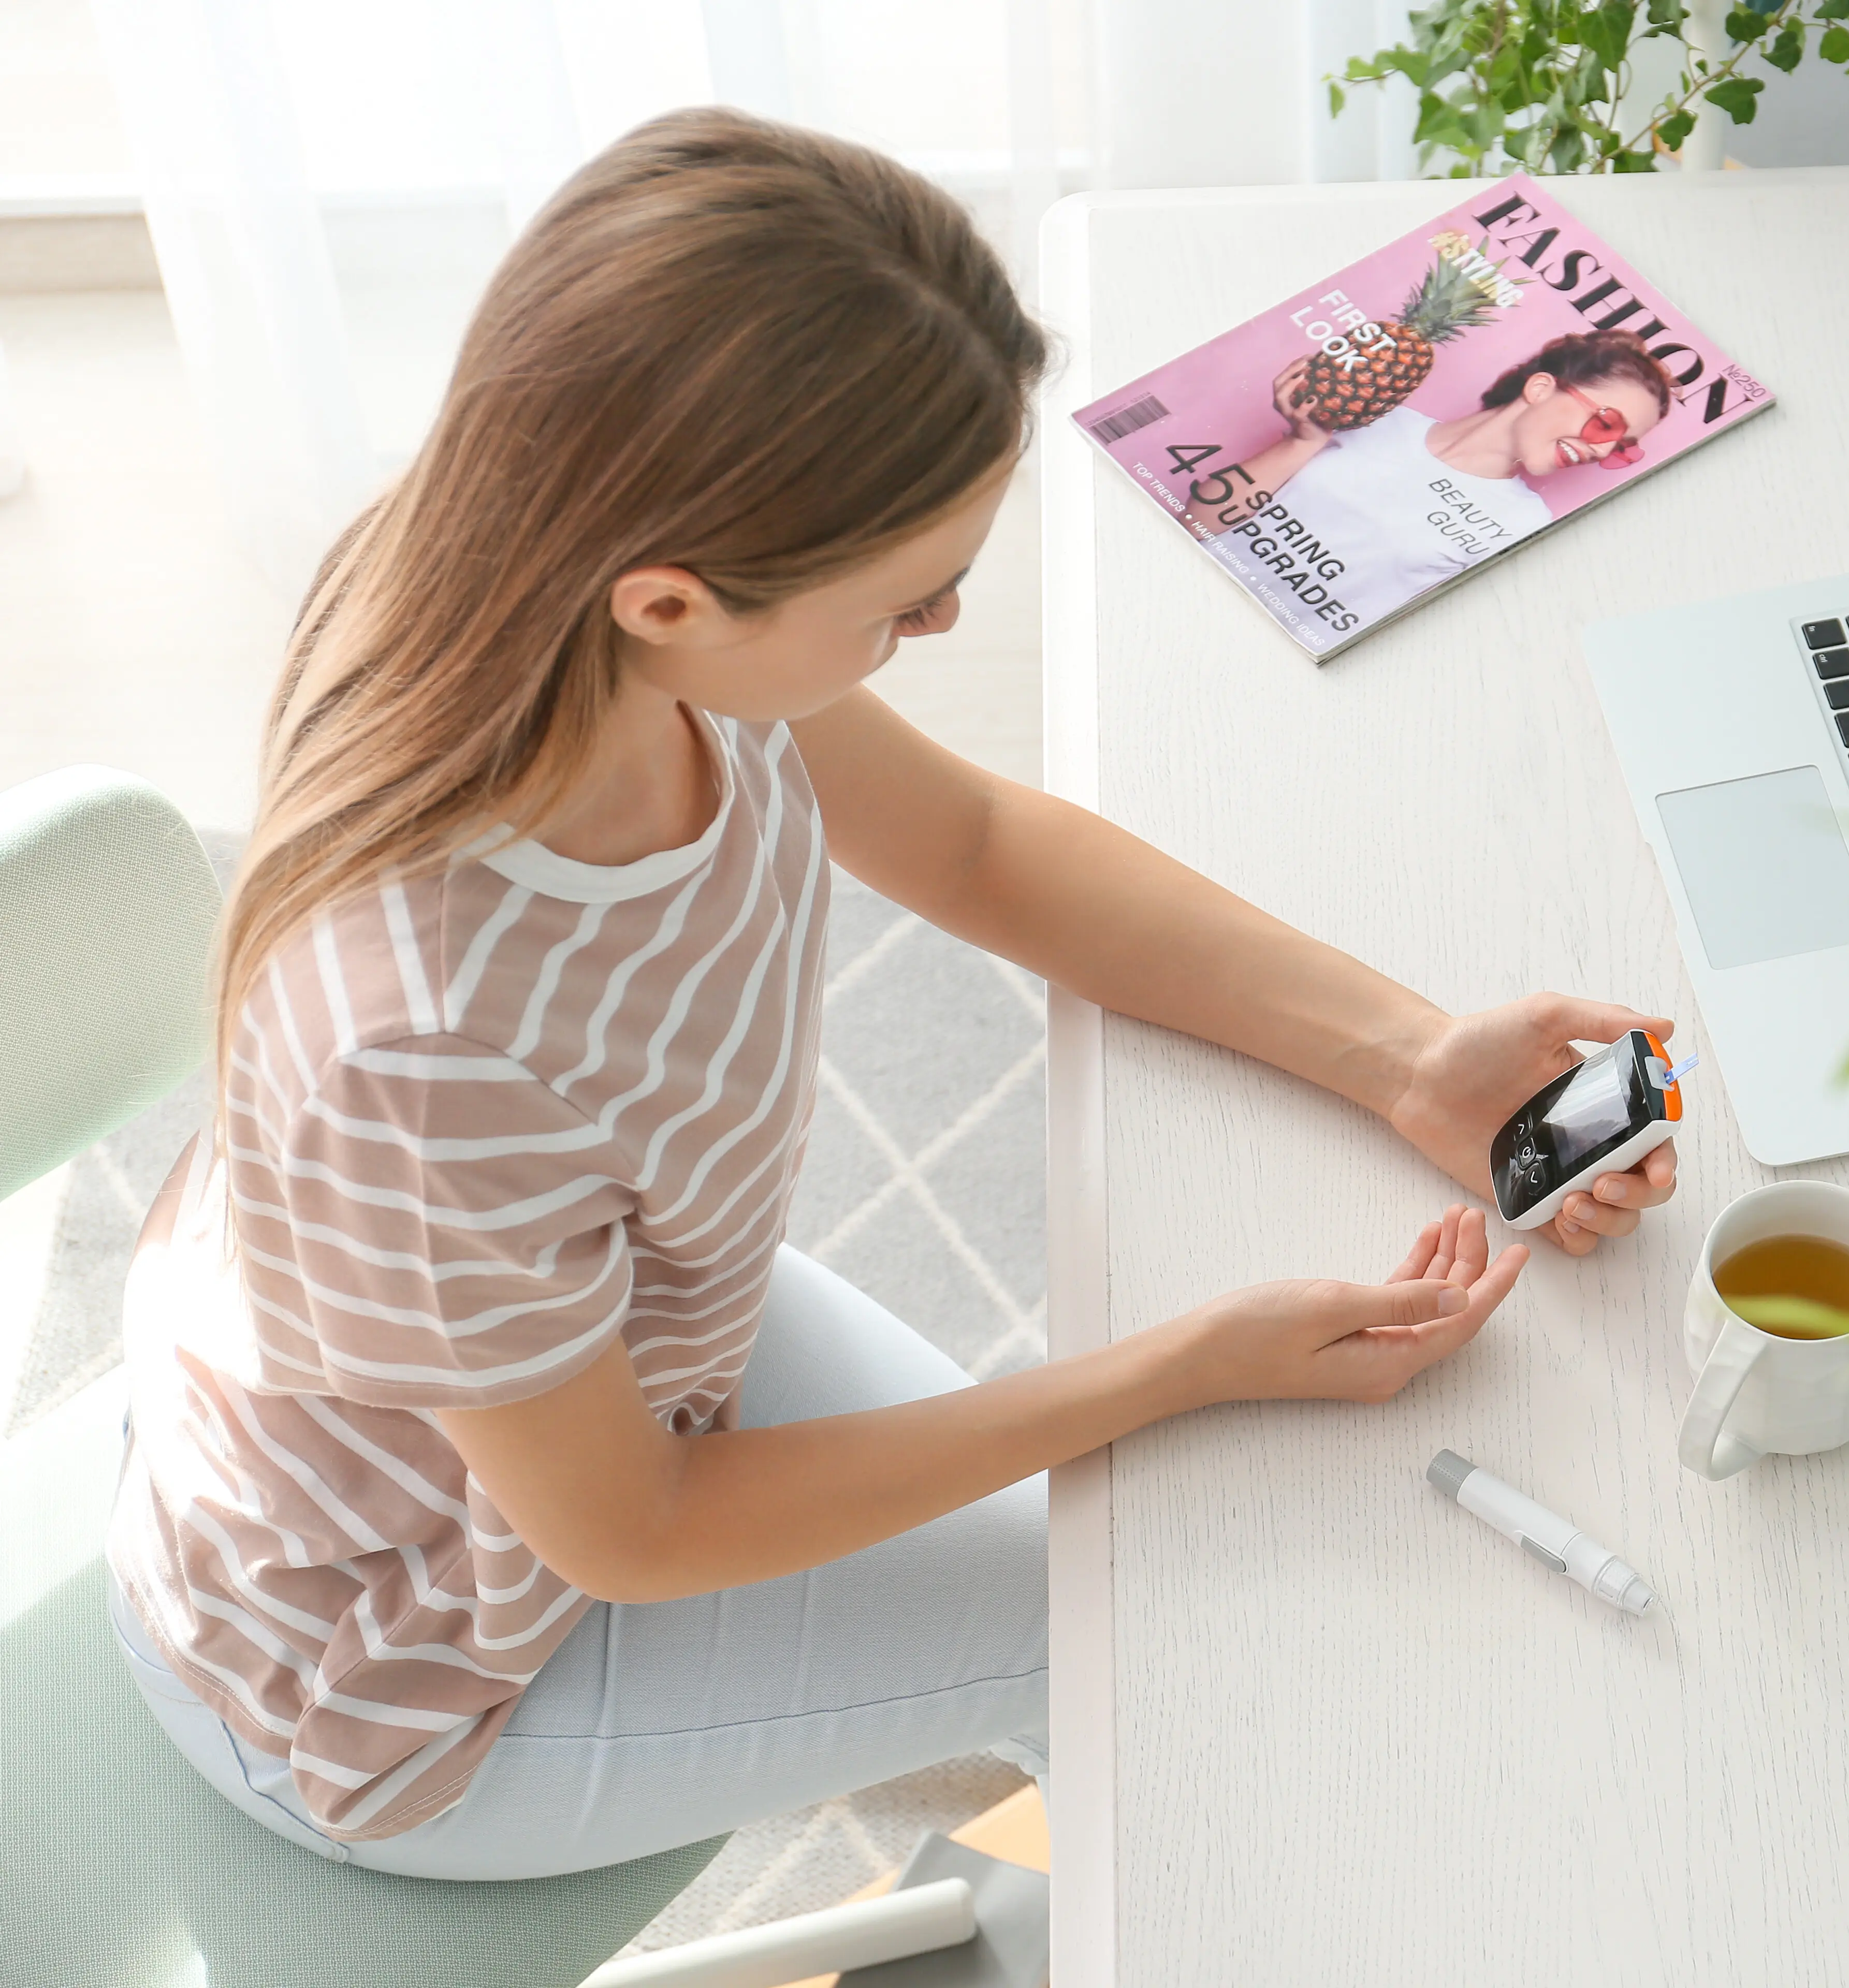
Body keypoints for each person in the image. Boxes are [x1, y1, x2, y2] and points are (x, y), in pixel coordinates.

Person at [103, 110, 1677, 1882]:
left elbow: (983, 846)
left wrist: (1407, 1062)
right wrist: (1181, 1366)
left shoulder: (548, 589)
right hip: (414, 1654)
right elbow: (635, 1531)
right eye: (906, 610)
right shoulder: (424, 1045)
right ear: (674, 599)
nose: (931, 639)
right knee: (1163, 1622)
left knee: (1148, 1547)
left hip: (582, 1344)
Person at [1202, 330, 1672, 628]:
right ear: (1541, 388)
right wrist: (1302, 440)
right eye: (1607, 425)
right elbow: (1198, 522)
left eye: (1624, 447)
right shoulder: (1380, 417)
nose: (1604, 449)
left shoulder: (1522, 524)